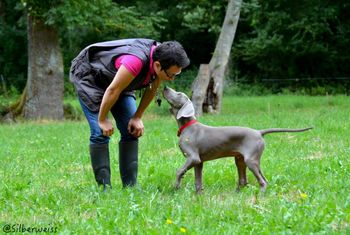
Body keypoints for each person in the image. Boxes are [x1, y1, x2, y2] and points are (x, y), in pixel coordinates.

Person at [69, 38, 190, 190]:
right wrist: (102, 119)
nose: (172, 79)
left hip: (118, 81)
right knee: (100, 132)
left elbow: (153, 87)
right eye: (171, 75)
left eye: (176, 75)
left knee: (132, 131)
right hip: (92, 78)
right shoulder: (136, 61)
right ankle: (104, 189)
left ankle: (130, 187)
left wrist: (137, 117)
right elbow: (113, 90)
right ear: (158, 65)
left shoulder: (162, 55)